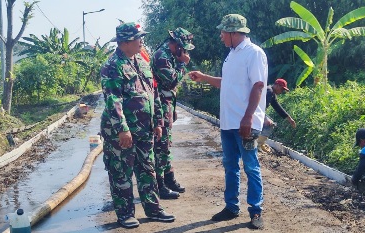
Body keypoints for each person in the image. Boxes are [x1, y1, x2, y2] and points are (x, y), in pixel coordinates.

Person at [188, 14, 267, 229]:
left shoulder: (254, 53)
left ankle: (256, 210)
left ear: (234, 33)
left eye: (223, 32)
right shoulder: (231, 55)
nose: (221, 35)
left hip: (245, 123)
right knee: (230, 166)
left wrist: (248, 117)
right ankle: (231, 207)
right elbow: (227, 83)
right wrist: (204, 77)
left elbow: (258, 86)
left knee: (251, 166)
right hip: (228, 123)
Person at [100, 22, 175, 229]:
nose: (142, 40)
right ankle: (125, 214)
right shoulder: (112, 65)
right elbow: (112, 100)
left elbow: (154, 94)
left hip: (145, 129)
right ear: (125, 42)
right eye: (138, 37)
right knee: (121, 172)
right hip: (122, 132)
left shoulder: (141, 62)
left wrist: (158, 122)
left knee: (147, 170)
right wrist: (122, 128)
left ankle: (153, 209)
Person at [151, 27, 195, 199]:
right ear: (175, 44)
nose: (184, 51)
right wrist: (183, 63)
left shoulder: (170, 56)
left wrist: (173, 110)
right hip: (159, 106)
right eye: (183, 47)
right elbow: (172, 81)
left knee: (166, 144)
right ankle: (160, 185)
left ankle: (169, 179)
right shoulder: (162, 57)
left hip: (166, 105)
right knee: (161, 145)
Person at [258, 78, 296, 150]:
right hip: (256, 112)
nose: (282, 91)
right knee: (269, 124)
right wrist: (264, 119)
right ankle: (258, 145)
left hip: (257, 112)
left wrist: (289, 118)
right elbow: (259, 106)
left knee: (269, 122)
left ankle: (259, 142)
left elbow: (277, 107)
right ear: (277, 86)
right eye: (282, 89)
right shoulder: (269, 91)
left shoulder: (271, 93)